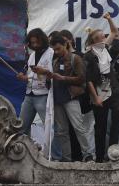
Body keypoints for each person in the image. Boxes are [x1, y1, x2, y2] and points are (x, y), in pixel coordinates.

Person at [39, 33, 95, 162]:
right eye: (54, 50)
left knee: (78, 127)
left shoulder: (75, 58)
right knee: (61, 131)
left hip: (71, 98)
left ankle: (88, 155)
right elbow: (50, 83)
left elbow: (82, 79)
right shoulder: (54, 61)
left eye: (59, 49)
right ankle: (66, 158)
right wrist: (46, 76)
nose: (57, 52)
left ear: (65, 44)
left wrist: (63, 78)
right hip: (57, 99)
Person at [83, 13, 119, 162]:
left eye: (103, 36)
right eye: (101, 37)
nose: (104, 38)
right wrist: (95, 98)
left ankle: (113, 150)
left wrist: (108, 19)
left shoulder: (105, 50)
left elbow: (114, 32)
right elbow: (89, 81)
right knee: (100, 127)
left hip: (113, 90)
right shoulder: (89, 56)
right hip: (99, 93)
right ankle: (99, 158)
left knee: (118, 114)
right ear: (94, 41)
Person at [17, 28, 53, 138]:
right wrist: (24, 77)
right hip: (29, 94)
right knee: (21, 127)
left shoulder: (51, 53)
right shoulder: (32, 55)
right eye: (32, 43)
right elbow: (30, 75)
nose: (35, 45)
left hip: (43, 94)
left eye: (37, 42)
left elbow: (54, 74)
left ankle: (55, 155)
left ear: (43, 40)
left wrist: (45, 72)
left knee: (49, 127)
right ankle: (23, 152)